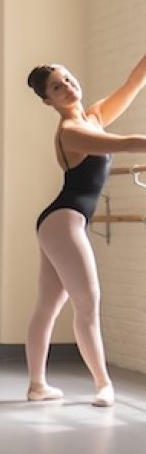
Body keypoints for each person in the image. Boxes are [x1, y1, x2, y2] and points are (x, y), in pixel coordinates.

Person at [25, 56, 146, 407]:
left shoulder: (93, 117)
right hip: (65, 220)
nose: (67, 87)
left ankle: (37, 385)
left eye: (67, 79)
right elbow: (124, 144)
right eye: (56, 88)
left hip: (60, 222)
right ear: (48, 101)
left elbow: (133, 83)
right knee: (87, 305)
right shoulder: (71, 132)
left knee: (48, 306)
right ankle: (103, 384)